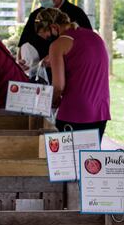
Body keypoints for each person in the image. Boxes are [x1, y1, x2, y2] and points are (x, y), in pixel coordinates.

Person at [35, 8, 110, 141]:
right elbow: (83, 65)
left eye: (46, 36)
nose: (48, 40)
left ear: (54, 27)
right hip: (100, 111)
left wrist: (48, 103)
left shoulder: (58, 45)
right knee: (90, 159)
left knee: (67, 160)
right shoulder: (95, 37)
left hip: (74, 113)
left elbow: (58, 87)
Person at [17, 0, 92, 72]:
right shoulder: (35, 15)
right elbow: (23, 42)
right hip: (39, 73)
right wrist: (20, 62)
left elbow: (87, 43)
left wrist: (54, 56)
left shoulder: (76, 13)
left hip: (68, 71)